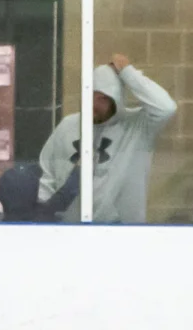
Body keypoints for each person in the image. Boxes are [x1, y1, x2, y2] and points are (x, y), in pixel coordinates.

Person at [36, 53, 178, 225]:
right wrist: (44, 217)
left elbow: (166, 108)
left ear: (116, 99)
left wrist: (127, 72)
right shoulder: (68, 126)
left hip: (122, 233)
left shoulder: (137, 127)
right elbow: (47, 173)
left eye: (102, 99)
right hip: (70, 230)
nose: (94, 104)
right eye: (91, 96)